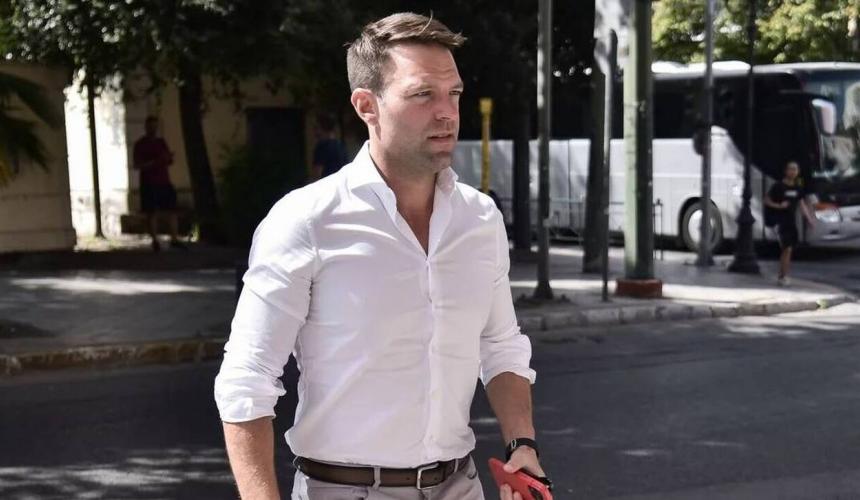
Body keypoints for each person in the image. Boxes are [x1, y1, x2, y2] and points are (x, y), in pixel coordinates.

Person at [214, 12, 548, 500]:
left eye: (454, 94)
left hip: (461, 486)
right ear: (366, 105)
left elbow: (501, 345)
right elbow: (247, 378)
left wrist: (523, 444)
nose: (447, 113)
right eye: (423, 95)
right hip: (346, 491)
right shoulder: (306, 221)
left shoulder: (480, 219)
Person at [132, 116, 186, 252]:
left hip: (164, 181)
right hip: (149, 183)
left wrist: (167, 158)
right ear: (146, 127)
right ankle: (155, 240)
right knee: (152, 212)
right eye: (151, 126)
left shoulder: (161, 142)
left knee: (172, 210)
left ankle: (174, 239)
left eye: (155, 126)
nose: (153, 129)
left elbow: (168, 161)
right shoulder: (140, 144)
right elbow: (137, 165)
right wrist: (155, 161)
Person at [764, 160, 815, 286]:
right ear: (786, 171)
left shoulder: (797, 188)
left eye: (795, 170)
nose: (793, 172)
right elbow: (767, 200)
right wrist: (778, 206)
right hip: (780, 221)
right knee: (787, 248)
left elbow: (802, 204)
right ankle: (783, 276)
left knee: (788, 250)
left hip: (791, 222)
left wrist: (809, 219)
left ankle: (782, 275)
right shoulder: (778, 186)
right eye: (791, 169)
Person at [310, 114, 349, 181]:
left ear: (323, 128)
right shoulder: (341, 145)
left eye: (316, 128)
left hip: (326, 184)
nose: (314, 131)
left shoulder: (322, 147)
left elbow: (317, 174)